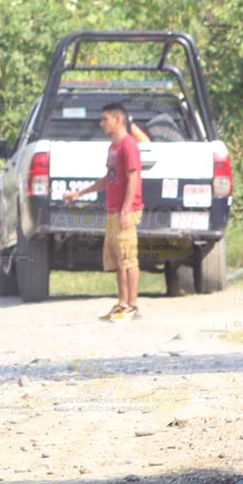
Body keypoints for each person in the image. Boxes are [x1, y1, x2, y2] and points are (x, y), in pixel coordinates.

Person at [64, 102, 144, 322]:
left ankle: (133, 305)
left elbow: (133, 177)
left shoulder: (129, 145)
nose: (101, 124)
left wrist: (127, 209)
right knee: (117, 259)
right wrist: (80, 193)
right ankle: (122, 303)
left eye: (104, 119)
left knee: (128, 257)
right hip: (113, 211)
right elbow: (109, 179)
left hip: (126, 210)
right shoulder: (113, 147)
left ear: (118, 119)